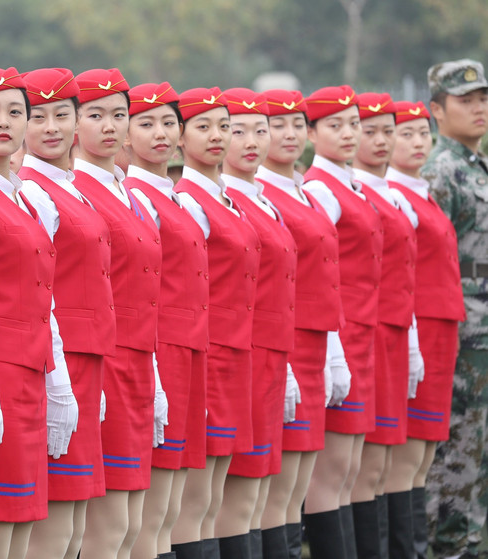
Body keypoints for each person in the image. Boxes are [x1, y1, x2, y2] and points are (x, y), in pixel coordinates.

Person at [0, 66, 78, 559]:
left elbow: (45, 299)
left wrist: (57, 380)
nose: (4, 122)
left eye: (14, 112)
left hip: (30, 376)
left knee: (24, 531)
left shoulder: (24, 198)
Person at [17, 68, 115, 559]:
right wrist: (60, 385)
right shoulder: (33, 190)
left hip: (88, 359)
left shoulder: (72, 187)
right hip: (61, 361)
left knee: (77, 524)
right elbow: (41, 292)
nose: (52, 127)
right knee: (55, 528)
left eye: (62, 114)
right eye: (37, 116)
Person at [70, 68, 163, 559]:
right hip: (105, 365)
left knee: (134, 522)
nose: (109, 126)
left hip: (139, 362)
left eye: (118, 115)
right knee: (105, 527)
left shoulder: (128, 192)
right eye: (95, 115)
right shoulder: (77, 191)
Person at [172, 86, 261, 559]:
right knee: (195, 500)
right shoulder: (188, 201)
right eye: (203, 126)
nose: (217, 136)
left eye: (224, 126)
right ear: (181, 136)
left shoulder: (227, 198)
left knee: (215, 498)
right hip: (207, 357)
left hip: (236, 355)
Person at [256, 90, 344, 559]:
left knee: (297, 487)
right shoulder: (261, 194)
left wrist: (332, 352)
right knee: (275, 491)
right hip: (283, 348)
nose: (289, 134)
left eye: (296, 124)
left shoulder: (303, 192)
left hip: (314, 346)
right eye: (276, 124)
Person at [124, 82, 209, 559]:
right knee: (151, 512)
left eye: (168, 123)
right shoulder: (136, 197)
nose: (160, 133)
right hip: (160, 355)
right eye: (146, 123)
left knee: (174, 507)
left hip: (188, 353)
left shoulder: (173, 196)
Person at [302, 85, 381, 559]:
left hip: (364, 338)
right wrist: (334, 351)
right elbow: (320, 275)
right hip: (340, 338)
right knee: (330, 474)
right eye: (335, 125)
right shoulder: (320, 190)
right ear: (312, 133)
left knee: (352, 470)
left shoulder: (350, 185)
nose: (349, 133)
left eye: (354, 124)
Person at [219, 88, 298, 559]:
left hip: (271, 356)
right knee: (238, 496)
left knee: (266, 492)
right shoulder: (223, 201)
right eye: (238, 131)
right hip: (238, 357)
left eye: (259, 130)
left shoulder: (262, 200)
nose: (251, 142)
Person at [387, 99, 465, 559]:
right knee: (407, 455)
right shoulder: (396, 196)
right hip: (416, 329)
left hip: (441, 329)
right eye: (405, 134)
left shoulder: (420, 191)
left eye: (423, 133)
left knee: (424, 453)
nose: (418, 143)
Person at [349, 91, 422, 558]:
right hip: (360, 338)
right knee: (360, 470)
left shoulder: (388, 195)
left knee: (388, 464)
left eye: (386, 132)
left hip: (393, 334)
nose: (380, 141)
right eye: (369, 130)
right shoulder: (333, 193)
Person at [421, 58, 488, 559]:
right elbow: (428, 258)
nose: (478, 108)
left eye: (483, 99)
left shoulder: (475, 165)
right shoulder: (440, 171)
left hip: (481, 322)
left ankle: (469, 539)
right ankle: (449, 545)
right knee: (458, 442)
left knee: (478, 441)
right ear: (437, 110)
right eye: (465, 100)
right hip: (461, 326)